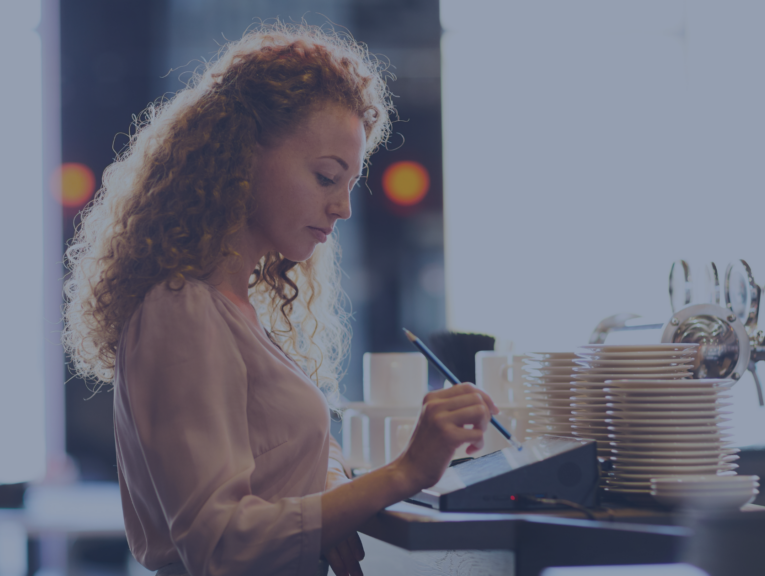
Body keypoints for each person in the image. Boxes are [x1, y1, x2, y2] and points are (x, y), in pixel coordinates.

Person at [62, 23, 498, 576]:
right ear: (241, 158)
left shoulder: (233, 309)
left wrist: (326, 510)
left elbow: (296, 458)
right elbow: (219, 544)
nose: (341, 207)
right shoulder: (183, 312)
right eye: (324, 177)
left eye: (348, 184)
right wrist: (405, 472)